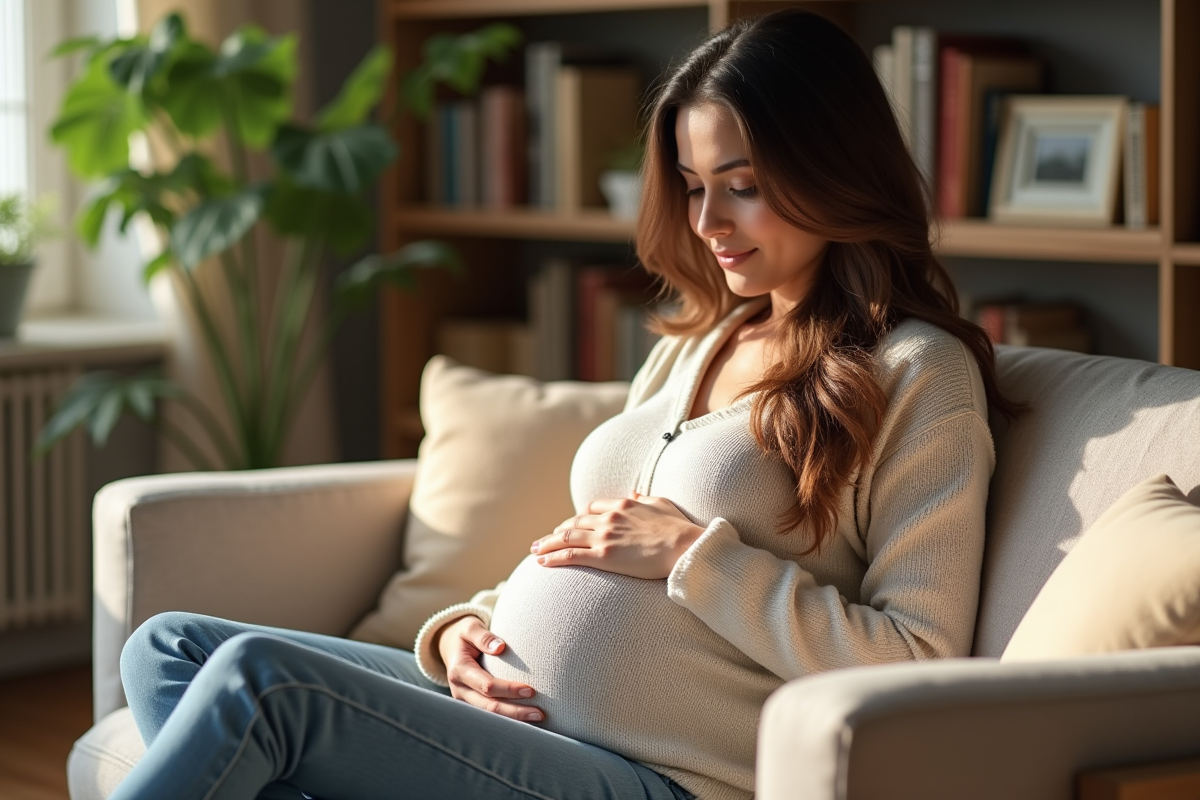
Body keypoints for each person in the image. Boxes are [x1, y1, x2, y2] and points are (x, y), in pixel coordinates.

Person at [111, 9, 1013, 800]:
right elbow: (588, 545)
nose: (708, 224)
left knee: (263, 685)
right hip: (518, 720)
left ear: (836, 170)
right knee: (167, 649)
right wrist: (464, 629)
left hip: (661, 775)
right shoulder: (694, 350)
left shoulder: (915, 373)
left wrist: (697, 556)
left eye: (743, 185)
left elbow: (917, 659)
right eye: (695, 188)